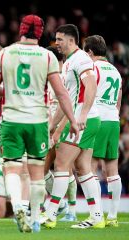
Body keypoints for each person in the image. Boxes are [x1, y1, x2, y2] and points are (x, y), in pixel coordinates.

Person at [0, 15, 79, 233]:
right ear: (40, 32)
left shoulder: (5, 53)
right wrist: (73, 121)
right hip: (37, 121)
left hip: (11, 120)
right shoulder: (47, 56)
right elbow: (62, 94)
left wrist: (10, 90)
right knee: (37, 172)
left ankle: (18, 205)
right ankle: (36, 218)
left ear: (21, 30)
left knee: (11, 167)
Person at [44, 24, 104, 229]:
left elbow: (92, 85)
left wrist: (83, 115)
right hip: (83, 118)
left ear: (71, 40)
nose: (56, 43)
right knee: (83, 168)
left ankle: (50, 215)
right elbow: (66, 100)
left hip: (81, 120)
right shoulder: (70, 62)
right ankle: (97, 217)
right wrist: (52, 126)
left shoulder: (80, 59)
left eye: (59, 39)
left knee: (61, 164)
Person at [85, 35, 122, 227]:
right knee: (112, 170)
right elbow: (118, 100)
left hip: (97, 119)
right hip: (113, 121)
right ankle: (113, 217)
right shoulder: (115, 71)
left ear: (90, 52)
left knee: (88, 167)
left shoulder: (92, 68)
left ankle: (96, 215)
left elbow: (88, 94)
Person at [43, 46, 78, 222]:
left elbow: (68, 107)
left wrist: (57, 131)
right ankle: (62, 204)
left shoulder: (64, 77)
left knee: (65, 168)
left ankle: (71, 209)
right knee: (43, 169)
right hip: (49, 128)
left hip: (62, 128)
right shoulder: (48, 77)